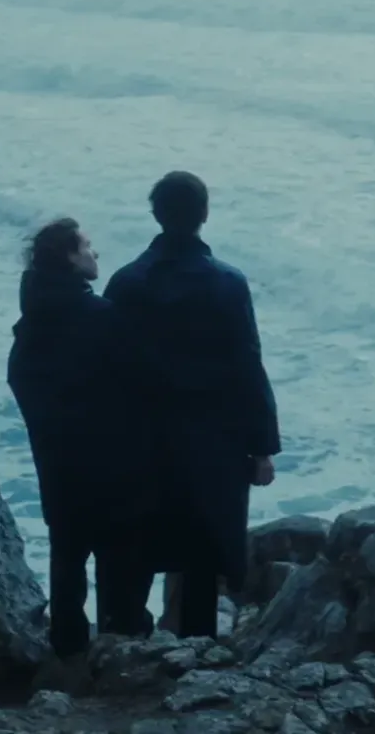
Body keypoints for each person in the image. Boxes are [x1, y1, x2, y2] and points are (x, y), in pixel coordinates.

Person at [104, 171, 281, 638]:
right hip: (213, 447)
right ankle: (198, 655)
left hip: (142, 446)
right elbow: (247, 366)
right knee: (202, 557)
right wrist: (262, 447)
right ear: (204, 216)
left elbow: (107, 370)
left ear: (156, 215)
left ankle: (121, 653)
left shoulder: (125, 284)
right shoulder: (226, 284)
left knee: (138, 552)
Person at [7, 217, 156, 657]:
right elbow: (138, 380)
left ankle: (67, 651)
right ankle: (120, 646)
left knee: (67, 554)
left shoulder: (33, 319)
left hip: (56, 458)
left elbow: (19, 376)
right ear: (69, 258)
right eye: (87, 246)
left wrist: (48, 426)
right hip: (109, 459)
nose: (95, 253)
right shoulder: (100, 317)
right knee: (118, 555)